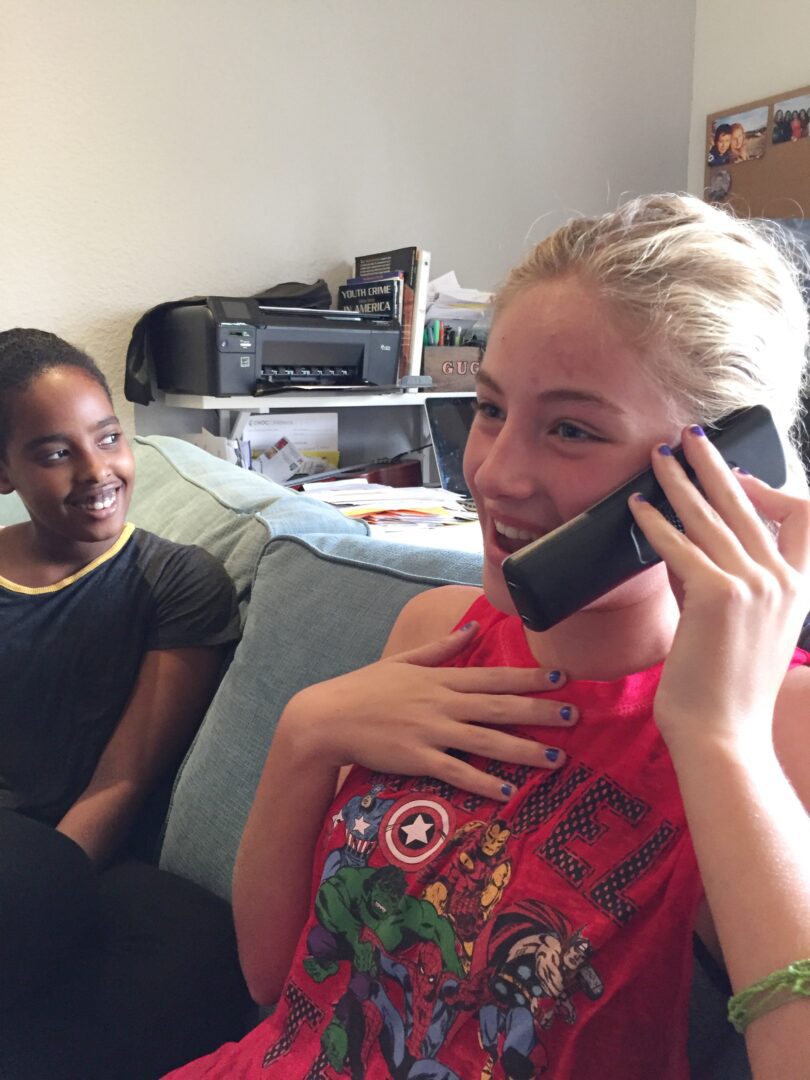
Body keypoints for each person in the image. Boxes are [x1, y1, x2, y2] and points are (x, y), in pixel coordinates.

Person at [166, 195, 810, 1080]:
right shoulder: (439, 632)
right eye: (492, 408)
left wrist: (718, 736)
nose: (494, 475)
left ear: (723, 471)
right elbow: (279, 984)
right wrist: (306, 732)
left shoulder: (777, 728)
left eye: (572, 429)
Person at [0, 328, 250, 1078]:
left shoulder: (176, 581)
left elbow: (126, 777)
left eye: (107, 438)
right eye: (54, 453)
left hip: (70, 859)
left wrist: (45, 896)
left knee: (197, 947)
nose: (96, 470)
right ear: (4, 468)